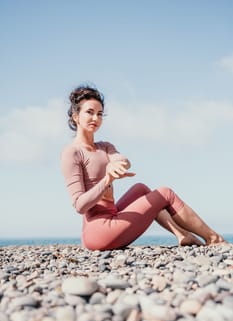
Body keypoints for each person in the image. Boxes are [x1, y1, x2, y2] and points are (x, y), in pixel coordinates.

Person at [61, 84, 226, 251]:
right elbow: (80, 206)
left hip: (112, 216)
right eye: (89, 112)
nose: (95, 118)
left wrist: (117, 163)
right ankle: (214, 238)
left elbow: (122, 159)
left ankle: (181, 234)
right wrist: (107, 180)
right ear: (75, 116)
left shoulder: (104, 146)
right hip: (98, 231)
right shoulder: (72, 153)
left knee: (141, 189)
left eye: (100, 114)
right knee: (165, 193)